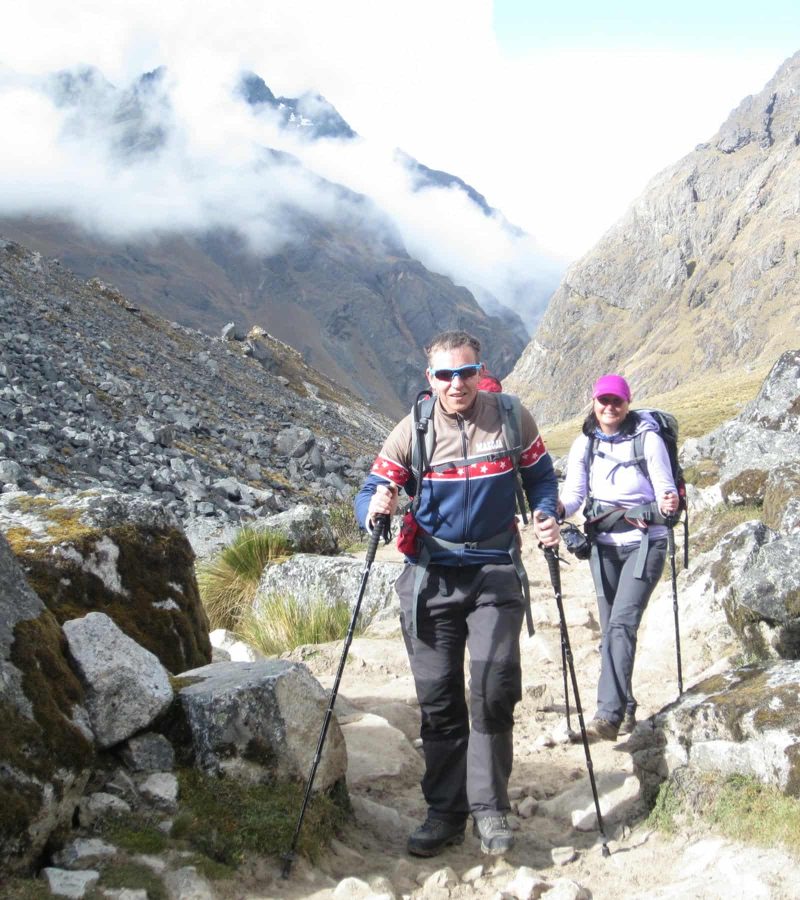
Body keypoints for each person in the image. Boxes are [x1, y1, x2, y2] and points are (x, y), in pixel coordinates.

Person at [355, 330, 559, 858]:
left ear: (479, 371)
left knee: (493, 690)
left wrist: (546, 512)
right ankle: (445, 812)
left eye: (465, 372)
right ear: (431, 380)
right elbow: (370, 490)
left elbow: (540, 476)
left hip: (494, 572)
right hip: (430, 578)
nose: (456, 384)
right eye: (445, 375)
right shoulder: (413, 430)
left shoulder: (512, 417)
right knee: (439, 700)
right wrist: (375, 510)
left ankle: (489, 808)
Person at [558, 374, 679, 741]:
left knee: (620, 625)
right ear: (594, 402)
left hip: (646, 543)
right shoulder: (585, 443)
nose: (610, 407)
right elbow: (575, 494)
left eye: (617, 402)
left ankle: (607, 716)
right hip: (603, 547)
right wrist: (557, 510)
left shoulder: (648, 439)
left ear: (627, 404)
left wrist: (668, 501)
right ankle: (625, 707)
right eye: (603, 400)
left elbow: (665, 487)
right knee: (612, 627)